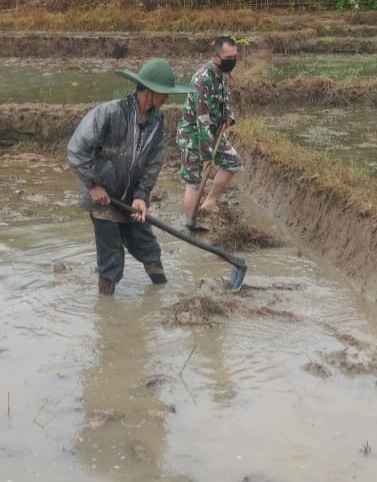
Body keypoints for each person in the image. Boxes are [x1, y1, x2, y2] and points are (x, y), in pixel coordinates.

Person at [67, 58, 195, 295]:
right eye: (163, 94)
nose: (166, 99)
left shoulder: (158, 121)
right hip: (104, 198)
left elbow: (153, 164)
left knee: (149, 249)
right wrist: (93, 186)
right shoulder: (110, 113)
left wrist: (141, 196)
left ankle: (163, 295)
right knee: (112, 260)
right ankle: (107, 312)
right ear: (149, 92)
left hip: (130, 200)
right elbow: (76, 150)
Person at [177, 35, 245, 229]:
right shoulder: (202, 80)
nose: (232, 61)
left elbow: (225, 101)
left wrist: (229, 116)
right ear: (216, 56)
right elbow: (202, 121)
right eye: (228, 57)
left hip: (214, 131)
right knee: (194, 180)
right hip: (194, 135)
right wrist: (207, 155)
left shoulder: (222, 74)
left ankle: (209, 201)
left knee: (233, 163)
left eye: (235, 57)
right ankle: (190, 222)